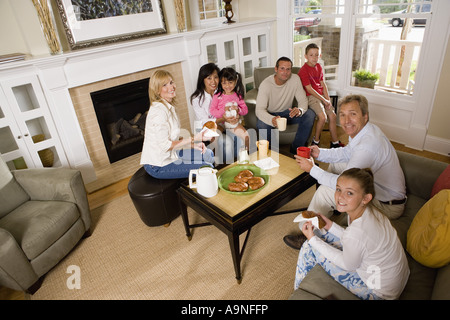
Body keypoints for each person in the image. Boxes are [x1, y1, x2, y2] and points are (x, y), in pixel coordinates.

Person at [284, 94, 406, 249]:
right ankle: (334, 208)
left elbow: (345, 183)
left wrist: (312, 169)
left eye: (353, 114)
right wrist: (319, 153)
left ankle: (308, 235)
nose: (347, 121)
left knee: (324, 192)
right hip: (379, 188)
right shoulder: (366, 131)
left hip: (386, 205)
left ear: (365, 116)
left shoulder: (367, 147)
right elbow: (346, 153)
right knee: (337, 164)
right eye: (342, 115)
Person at [294, 168, 410, 300]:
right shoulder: (372, 212)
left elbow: (347, 263)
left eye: (349, 193)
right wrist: (329, 225)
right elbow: (356, 240)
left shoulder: (357, 232)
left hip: (379, 292)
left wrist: (312, 239)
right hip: (395, 277)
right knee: (319, 234)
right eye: (338, 189)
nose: (340, 197)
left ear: (365, 198)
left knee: (309, 246)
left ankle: (298, 293)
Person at [141, 69, 215, 179]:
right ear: (157, 91)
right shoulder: (158, 112)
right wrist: (194, 139)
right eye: (164, 85)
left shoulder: (169, 107)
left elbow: (174, 137)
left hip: (172, 155)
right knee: (207, 167)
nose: (171, 87)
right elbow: (165, 145)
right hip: (158, 165)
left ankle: (201, 186)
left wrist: (193, 145)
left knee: (208, 154)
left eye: (171, 82)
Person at [255, 56, 315, 154]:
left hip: (288, 113)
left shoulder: (295, 79)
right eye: (282, 68)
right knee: (262, 123)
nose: (285, 72)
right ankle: (267, 153)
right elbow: (259, 110)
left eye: (288, 69)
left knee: (310, 114)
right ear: (276, 69)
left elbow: (303, 101)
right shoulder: (265, 84)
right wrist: (271, 119)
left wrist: (300, 110)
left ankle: (295, 150)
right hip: (271, 114)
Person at [190, 63, 244, 164]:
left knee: (240, 140)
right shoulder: (197, 98)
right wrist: (223, 120)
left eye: (216, 77)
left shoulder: (221, 91)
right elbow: (206, 122)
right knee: (227, 142)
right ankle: (226, 169)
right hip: (206, 129)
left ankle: (238, 166)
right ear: (203, 79)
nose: (213, 81)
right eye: (209, 78)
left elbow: (235, 105)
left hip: (224, 124)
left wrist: (236, 113)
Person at [298, 43, 343, 148]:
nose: (314, 57)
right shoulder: (303, 70)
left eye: (316, 55)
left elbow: (323, 84)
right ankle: (316, 141)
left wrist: (328, 100)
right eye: (311, 55)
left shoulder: (319, 66)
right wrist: (323, 99)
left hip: (321, 95)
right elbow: (309, 89)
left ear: (320, 56)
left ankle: (335, 142)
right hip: (311, 96)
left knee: (332, 116)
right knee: (322, 118)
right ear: (306, 56)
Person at [209, 67, 249, 149]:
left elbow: (245, 110)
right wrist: (223, 111)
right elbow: (212, 111)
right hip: (220, 123)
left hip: (233, 124)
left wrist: (238, 110)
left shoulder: (238, 96)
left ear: (235, 81)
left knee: (246, 136)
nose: (227, 86)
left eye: (230, 82)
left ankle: (246, 156)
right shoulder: (217, 96)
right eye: (224, 83)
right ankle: (215, 159)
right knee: (214, 138)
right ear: (220, 83)